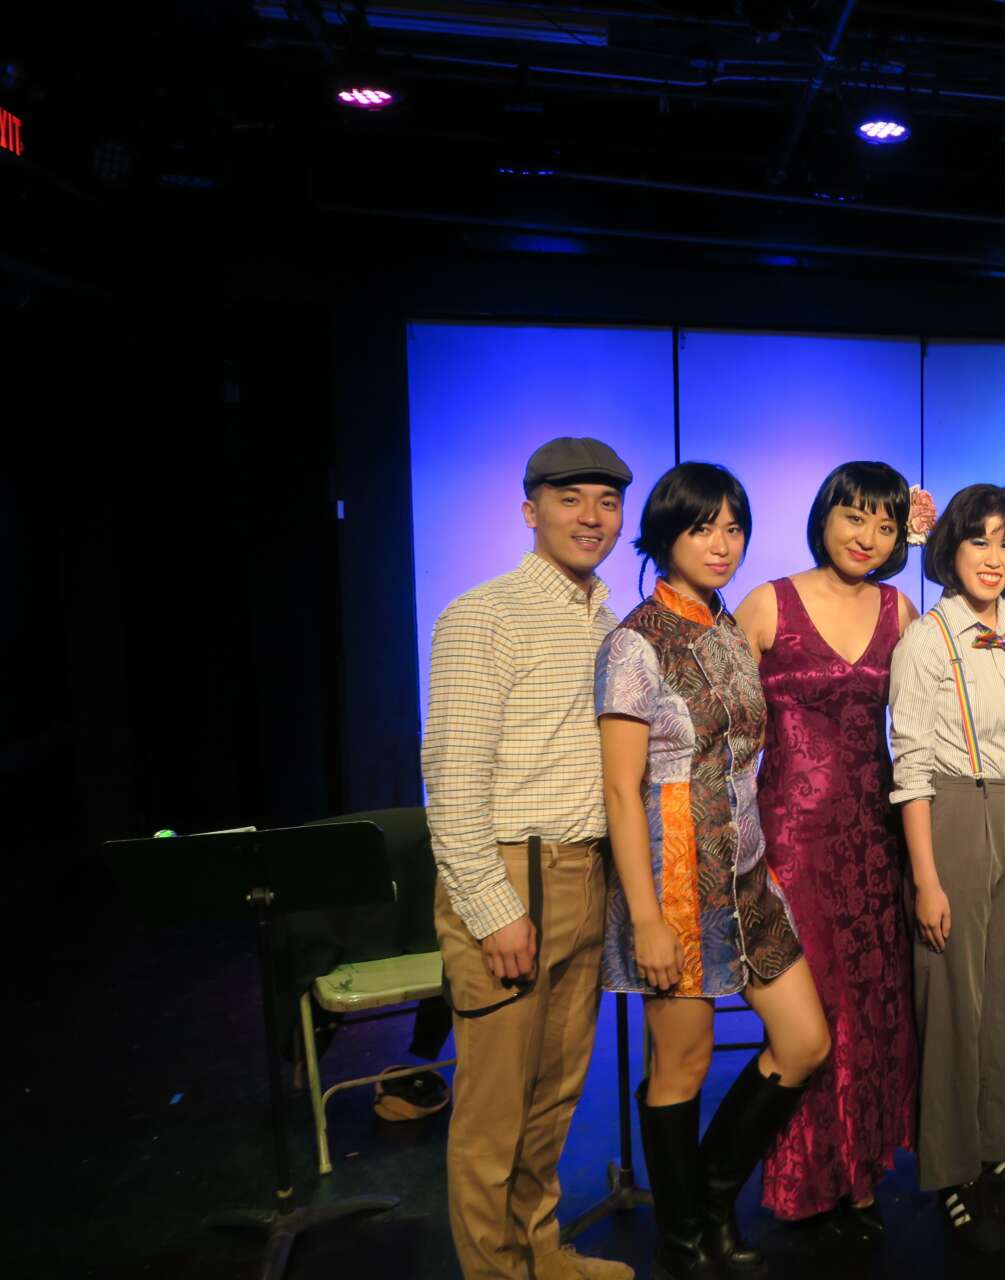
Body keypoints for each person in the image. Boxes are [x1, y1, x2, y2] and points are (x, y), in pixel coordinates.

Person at [597, 463, 832, 1280]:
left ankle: (709, 1196)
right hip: (673, 883)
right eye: (703, 528)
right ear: (665, 537)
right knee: (683, 1063)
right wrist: (647, 919)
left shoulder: (731, 626)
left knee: (804, 1042)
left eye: (733, 528)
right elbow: (621, 794)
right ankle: (684, 1236)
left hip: (747, 873)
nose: (722, 544)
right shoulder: (635, 642)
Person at [421, 436, 636, 1280]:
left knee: (554, 1093)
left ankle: (540, 1249)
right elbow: (452, 777)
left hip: (586, 871)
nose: (591, 517)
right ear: (530, 510)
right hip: (514, 874)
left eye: (607, 502)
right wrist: (490, 907)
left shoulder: (608, 622)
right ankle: (495, 1271)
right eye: (570, 498)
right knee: (493, 1109)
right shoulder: (485, 614)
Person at [733, 463, 924, 1236]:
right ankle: (805, 1180)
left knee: (871, 1011)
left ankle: (860, 1172)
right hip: (792, 843)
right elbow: (720, 730)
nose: (867, 537)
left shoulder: (900, 608)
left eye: (885, 524)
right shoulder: (768, 603)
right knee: (812, 1019)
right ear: (824, 516)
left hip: (875, 841)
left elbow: (924, 724)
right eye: (854, 517)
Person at [888, 483, 1005, 1253]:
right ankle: (951, 1171)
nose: (994, 555)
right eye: (979, 539)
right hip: (952, 811)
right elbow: (911, 764)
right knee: (954, 997)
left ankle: (999, 1144)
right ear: (949, 548)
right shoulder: (927, 639)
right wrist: (926, 879)